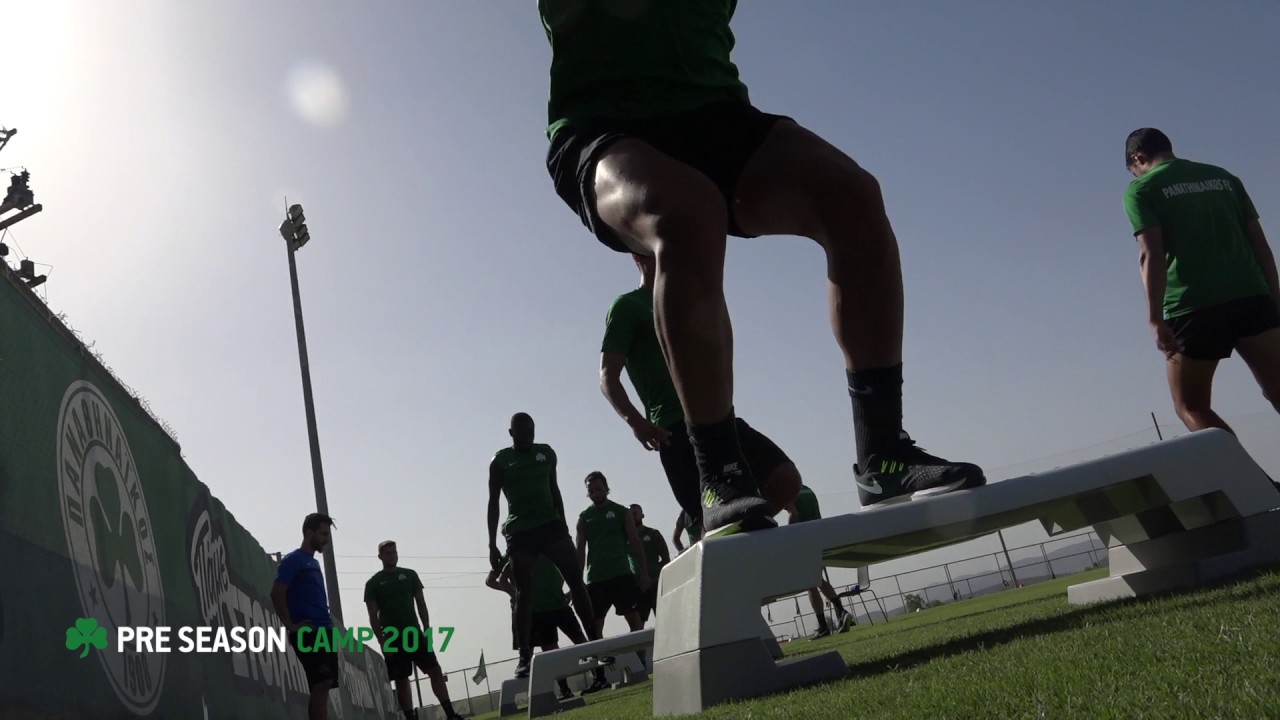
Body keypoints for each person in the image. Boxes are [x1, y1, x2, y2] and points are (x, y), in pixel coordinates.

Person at [542, 1, 986, 535]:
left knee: (853, 198)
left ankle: (883, 455)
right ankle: (720, 476)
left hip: (715, 114)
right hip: (603, 127)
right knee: (685, 212)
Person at [600, 252, 801, 534]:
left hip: (716, 418)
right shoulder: (628, 306)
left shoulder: (686, 303)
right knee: (708, 522)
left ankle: (742, 528)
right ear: (638, 255)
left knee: (787, 480)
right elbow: (608, 377)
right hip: (674, 428)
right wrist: (638, 423)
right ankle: (722, 537)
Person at [1123, 127, 1280, 435]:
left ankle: (1251, 484)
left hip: (1192, 308)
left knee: (1191, 407)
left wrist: (1155, 318)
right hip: (1251, 296)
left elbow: (1150, 254)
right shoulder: (1224, 179)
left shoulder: (1141, 190)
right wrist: (1275, 298)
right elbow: (1260, 244)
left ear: (1138, 158)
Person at [487, 412, 599, 678]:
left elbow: (554, 488)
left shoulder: (546, 454)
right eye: (521, 432)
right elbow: (493, 502)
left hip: (550, 525)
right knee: (525, 593)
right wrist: (491, 543)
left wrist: (562, 523)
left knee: (575, 579)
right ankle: (524, 655)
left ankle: (595, 641)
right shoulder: (501, 461)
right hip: (520, 530)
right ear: (511, 433)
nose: (526, 437)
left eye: (530, 432)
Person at [364, 541, 467, 720]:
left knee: (435, 670)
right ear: (380, 556)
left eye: (394, 552)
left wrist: (426, 629)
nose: (392, 556)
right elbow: (372, 616)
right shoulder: (373, 583)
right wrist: (383, 643)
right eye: (388, 553)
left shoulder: (410, 575)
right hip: (392, 637)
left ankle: (451, 714)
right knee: (402, 679)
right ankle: (410, 717)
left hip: (414, 633)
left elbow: (421, 603)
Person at [576, 472, 649, 692]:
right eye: (591, 490)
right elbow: (580, 551)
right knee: (594, 628)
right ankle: (600, 677)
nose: (595, 493)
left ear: (607, 488)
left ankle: (640, 668)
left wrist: (644, 573)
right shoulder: (584, 517)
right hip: (596, 579)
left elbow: (635, 542)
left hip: (621, 575)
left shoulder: (621, 512)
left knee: (635, 623)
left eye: (598, 489)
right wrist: (576, 583)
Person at [486, 553, 585, 700]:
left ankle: (591, 680)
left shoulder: (547, 549)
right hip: (529, 612)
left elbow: (565, 571)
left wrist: (569, 592)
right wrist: (516, 595)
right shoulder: (511, 556)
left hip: (554, 605)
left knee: (561, 645)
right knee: (532, 653)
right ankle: (543, 693)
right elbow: (492, 581)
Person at [270, 513, 339, 720]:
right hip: (308, 631)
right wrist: (291, 625)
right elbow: (277, 592)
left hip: (324, 630)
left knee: (325, 684)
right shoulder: (294, 560)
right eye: (323, 533)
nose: (326, 539)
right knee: (321, 683)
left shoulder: (314, 563)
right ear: (309, 532)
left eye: (328, 534)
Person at [783, 485, 856, 638]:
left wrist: (788, 536)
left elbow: (794, 513)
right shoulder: (807, 489)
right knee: (817, 580)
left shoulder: (787, 490)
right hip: (818, 536)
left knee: (811, 583)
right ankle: (839, 613)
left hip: (805, 540)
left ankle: (827, 624)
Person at [628, 504, 670, 623]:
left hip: (656, 584)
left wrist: (656, 578)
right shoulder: (625, 538)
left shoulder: (653, 534)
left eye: (635, 513)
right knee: (638, 623)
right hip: (638, 586)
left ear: (642, 515)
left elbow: (666, 559)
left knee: (663, 620)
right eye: (630, 514)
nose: (632, 517)